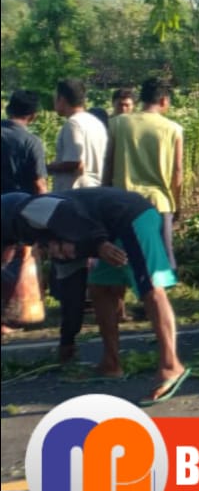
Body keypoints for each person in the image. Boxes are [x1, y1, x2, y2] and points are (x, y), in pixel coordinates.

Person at [2, 188, 189, 404]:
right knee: (100, 289)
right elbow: (72, 295)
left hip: (130, 215)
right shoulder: (50, 243)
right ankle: (111, 364)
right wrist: (67, 341)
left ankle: (171, 365)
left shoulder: (30, 208)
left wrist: (99, 244)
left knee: (150, 288)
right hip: (104, 234)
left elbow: (68, 211)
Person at [47, 78, 110, 358]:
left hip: (74, 202)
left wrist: (47, 166)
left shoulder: (73, 125)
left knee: (69, 271)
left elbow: (76, 163)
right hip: (96, 197)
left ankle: (68, 340)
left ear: (62, 99)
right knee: (89, 268)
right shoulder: (96, 123)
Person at [105, 77, 184, 270]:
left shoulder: (117, 123)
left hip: (122, 201)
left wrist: (104, 194)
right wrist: (177, 203)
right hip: (158, 202)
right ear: (164, 100)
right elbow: (177, 171)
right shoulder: (174, 129)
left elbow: (108, 163)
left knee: (120, 262)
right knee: (161, 263)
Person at [1, 91, 49, 336]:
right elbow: (39, 183)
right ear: (33, 116)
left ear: (8, 110)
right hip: (17, 211)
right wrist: (47, 215)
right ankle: (6, 318)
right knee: (12, 263)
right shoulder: (31, 141)